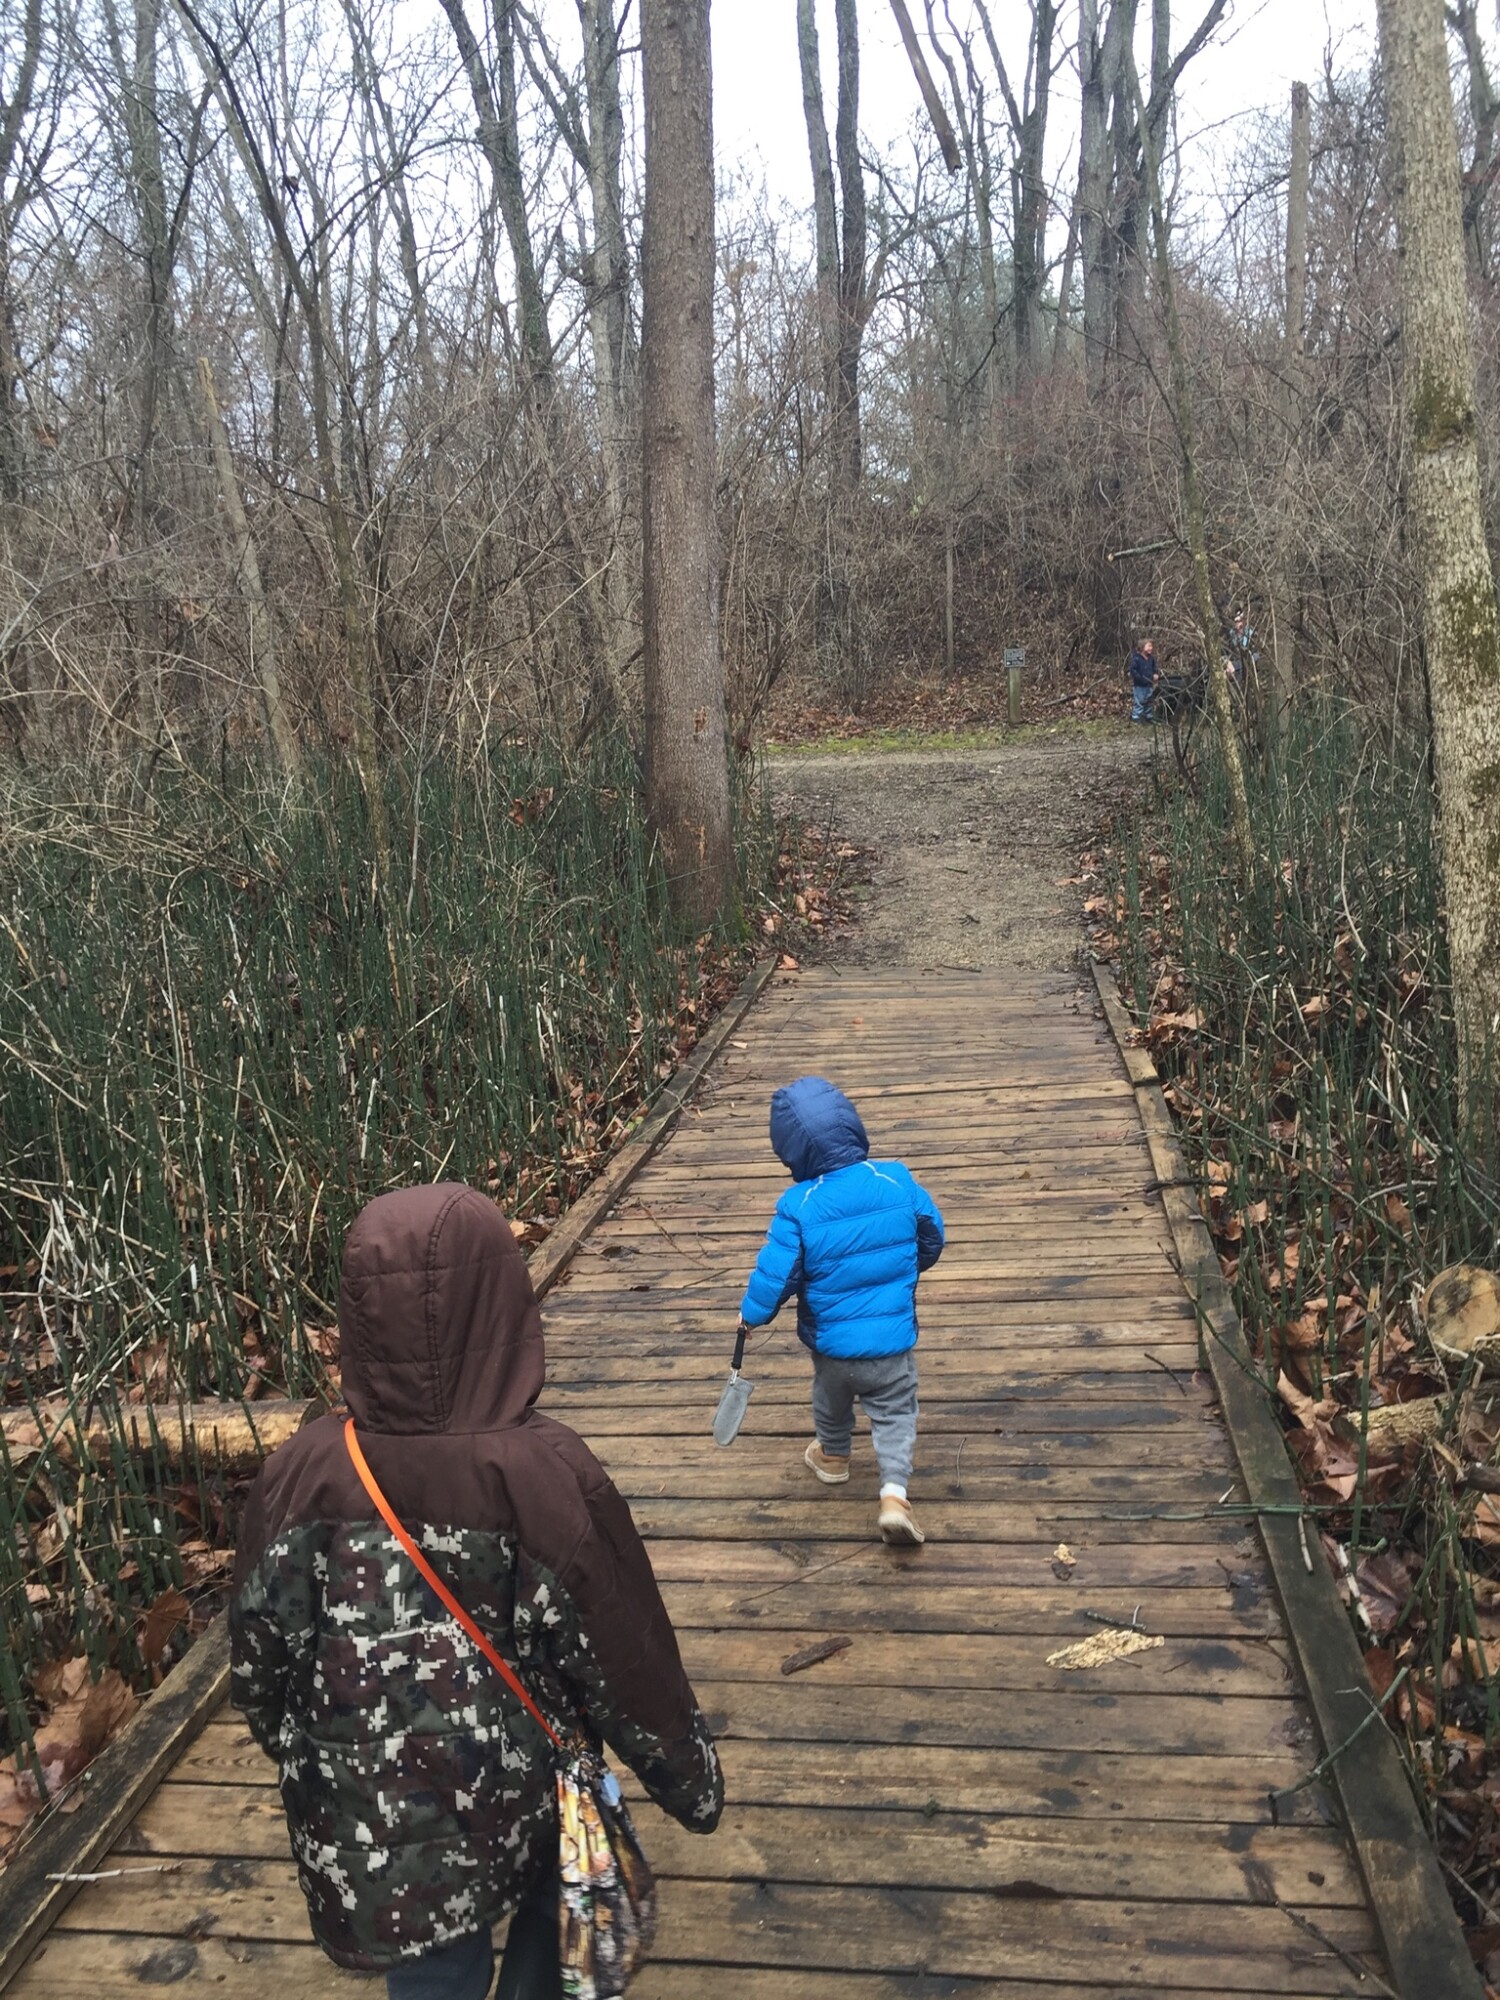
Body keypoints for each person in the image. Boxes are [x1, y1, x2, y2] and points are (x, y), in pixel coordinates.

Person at [230, 1183, 723, 1999]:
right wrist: (690, 1779)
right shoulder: (544, 1474)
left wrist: (299, 1751)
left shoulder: (302, 1473)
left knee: (430, 1967)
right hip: (525, 1791)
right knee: (550, 1906)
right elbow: (623, 1652)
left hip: (373, 1820)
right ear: (501, 1301)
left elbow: (257, 1658)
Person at [737, 1076, 945, 1547]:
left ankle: (833, 1457)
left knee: (829, 1399)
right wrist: (902, 1271)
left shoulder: (798, 1205)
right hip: (890, 1343)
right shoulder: (895, 1178)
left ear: (791, 1152)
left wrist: (751, 1317)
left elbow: (777, 1275)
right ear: (852, 1125)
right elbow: (932, 1236)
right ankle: (894, 1495)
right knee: (895, 1412)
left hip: (831, 1346)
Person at [1127, 637, 1158, 723]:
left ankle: (1149, 716)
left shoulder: (1151, 659)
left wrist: (1155, 674)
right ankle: (1136, 717)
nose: (1151, 648)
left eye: (1151, 646)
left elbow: (1154, 668)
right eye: (1149, 646)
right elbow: (1133, 670)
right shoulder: (1136, 659)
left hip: (1149, 684)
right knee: (1139, 701)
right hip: (1139, 685)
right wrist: (1139, 678)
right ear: (1142, 647)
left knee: (1149, 700)